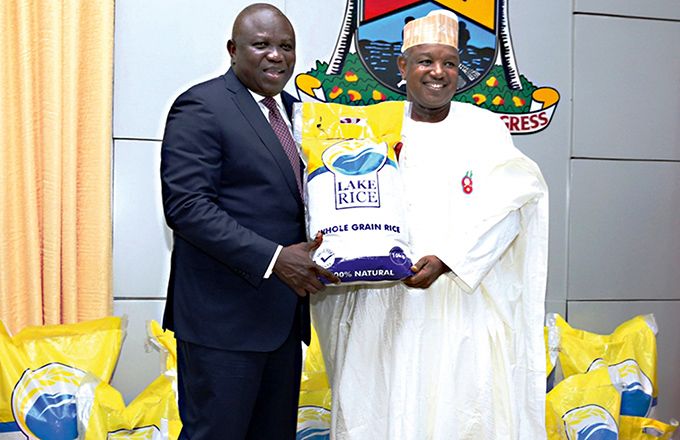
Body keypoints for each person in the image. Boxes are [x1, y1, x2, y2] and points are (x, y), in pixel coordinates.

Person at [311, 9, 549, 440]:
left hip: (457, 304)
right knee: (380, 405)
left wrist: (449, 258)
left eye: (449, 62)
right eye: (425, 61)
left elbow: (512, 203)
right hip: (383, 307)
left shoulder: (485, 128)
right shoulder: (373, 126)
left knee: (457, 411)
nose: (437, 72)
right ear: (402, 67)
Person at [160, 4, 339, 439]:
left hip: (281, 323)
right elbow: (186, 207)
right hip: (221, 322)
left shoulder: (303, 117)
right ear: (233, 50)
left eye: (286, 47)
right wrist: (276, 259)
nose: (276, 56)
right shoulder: (202, 105)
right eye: (261, 45)